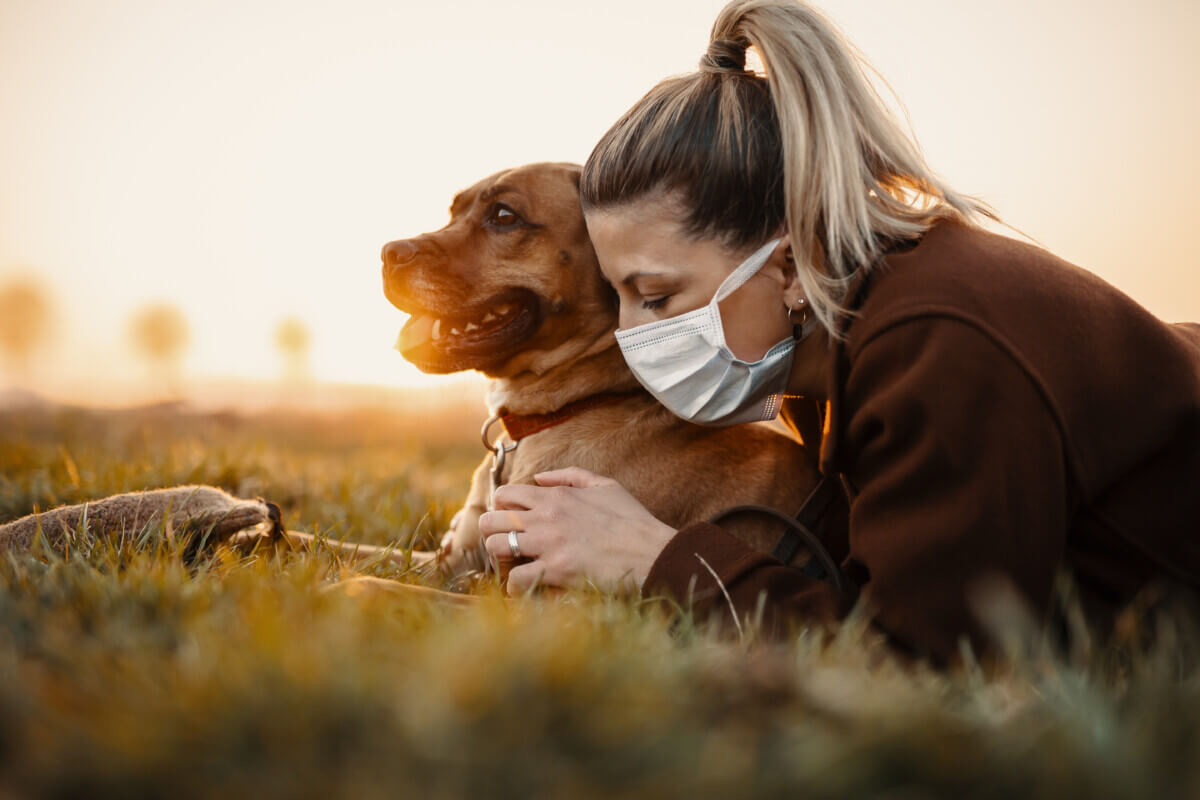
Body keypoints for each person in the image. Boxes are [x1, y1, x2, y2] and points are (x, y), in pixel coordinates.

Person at [478, 0, 1200, 665]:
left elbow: (927, 669)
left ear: (789, 264)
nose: (635, 337)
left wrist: (656, 558)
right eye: (619, 298)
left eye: (658, 297)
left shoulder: (936, 345)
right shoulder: (830, 340)